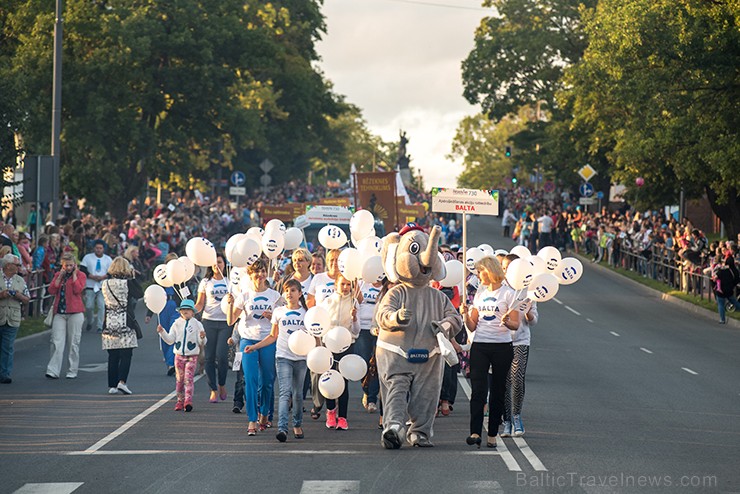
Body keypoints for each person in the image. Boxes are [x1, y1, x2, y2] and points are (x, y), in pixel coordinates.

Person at [460, 256, 519, 449]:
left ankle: (492, 433)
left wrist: (507, 322)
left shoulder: (509, 294)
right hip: (480, 345)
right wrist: (465, 315)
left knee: (497, 390)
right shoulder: (480, 294)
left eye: (480, 272)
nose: (478, 275)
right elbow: (472, 324)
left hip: (502, 345)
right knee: (478, 390)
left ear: (490, 271)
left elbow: (516, 324)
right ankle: (475, 431)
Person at [244, 279, 308, 442]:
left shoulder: (307, 314)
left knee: (298, 394)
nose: (289, 293)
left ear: (300, 294)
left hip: (301, 358)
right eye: (287, 290)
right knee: (284, 392)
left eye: (293, 290)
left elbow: (314, 336)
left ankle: (297, 423)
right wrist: (255, 347)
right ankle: (282, 428)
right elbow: (273, 336)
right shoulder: (279, 312)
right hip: (283, 357)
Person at [226, 258, 280, 435]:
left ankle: (264, 412)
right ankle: (251, 420)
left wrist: (271, 316)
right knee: (250, 380)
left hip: (268, 341)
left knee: (267, 380)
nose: (261, 274)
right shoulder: (244, 296)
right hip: (248, 341)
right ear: (250, 274)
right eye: (257, 271)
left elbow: (282, 321)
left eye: (263, 271)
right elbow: (230, 320)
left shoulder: (274, 296)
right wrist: (230, 304)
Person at [500, 254, 538, 438]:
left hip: (521, 340)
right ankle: (506, 420)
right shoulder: (499, 289)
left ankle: (516, 416)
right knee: (504, 381)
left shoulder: (528, 291)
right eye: (505, 267)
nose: (507, 270)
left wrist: (529, 313)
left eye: (511, 267)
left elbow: (534, 320)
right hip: (501, 340)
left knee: (517, 378)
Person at [320, 274, 360, 430]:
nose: (345, 287)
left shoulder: (354, 302)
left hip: (347, 345)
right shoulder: (327, 302)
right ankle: (330, 411)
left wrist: (355, 318)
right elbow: (320, 325)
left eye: (348, 285)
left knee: (344, 381)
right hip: (328, 345)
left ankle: (343, 417)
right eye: (342, 284)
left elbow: (356, 331)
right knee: (329, 379)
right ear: (335, 285)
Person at [306, 249, 340, 419]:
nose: (334, 262)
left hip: (339, 331)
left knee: (336, 368)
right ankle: (317, 403)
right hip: (319, 328)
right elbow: (310, 301)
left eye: (337, 259)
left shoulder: (346, 279)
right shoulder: (319, 278)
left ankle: (333, 405)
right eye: (332, 259)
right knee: (317, 366)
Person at [101, 257, 143, 395]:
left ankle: (112, 385)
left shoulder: (105, 283)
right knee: (126, 354)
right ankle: (122, 382)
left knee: (113, 355)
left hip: (109, 321)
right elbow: (139, 294)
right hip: (125, 321)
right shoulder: (127, 283)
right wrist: (133, 277)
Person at [157, 299, 207, 412]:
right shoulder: (176, 324)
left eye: (187, 310)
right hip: (179, 356)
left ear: (193, 312)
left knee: (188, 378)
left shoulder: (197, 324)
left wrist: (202, 337)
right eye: (183, 310)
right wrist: (162, 332)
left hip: (192, 356)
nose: (185, 312)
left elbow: (202, 342)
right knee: (179, 380)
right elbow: (170, 340)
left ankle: (188, 401)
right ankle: (180, 400)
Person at [194, 253, 231, 403]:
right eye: (214, 263)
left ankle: (222, 384)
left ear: (224, 264)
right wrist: (188, 310)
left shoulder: (231, 281)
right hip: (208, 321)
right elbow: (200, 304)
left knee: (222, 357)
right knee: (209, 357)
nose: (217, 265)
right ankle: (213, 389)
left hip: (225, 322)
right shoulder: (205, 282)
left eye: (220, 262)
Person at [45, 253, 87, 380]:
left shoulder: (81, 275)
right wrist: (59, 278)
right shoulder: (59, 275)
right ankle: (53, 370)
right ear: (62, 266)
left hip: (75, 312)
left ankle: (72, 369)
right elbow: (51, 290)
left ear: (75, 265)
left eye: (70, 265)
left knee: (74, 342)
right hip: (60, 312)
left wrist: (74, 275)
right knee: (56, 341)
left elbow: (78, 290)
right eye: (66, 265)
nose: (68, 268)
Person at [0, 254, 30, 384]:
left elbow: (27, 299)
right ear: (8, 266)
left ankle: (5, 374)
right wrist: (2, 294)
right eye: (17, 265)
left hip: (13, 318)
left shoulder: (20, 280)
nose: (19, 267)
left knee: (8, 347)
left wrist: (19, 296)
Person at [356, 276, 382, 413]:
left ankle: (372, 399)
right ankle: (366, 389)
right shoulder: (361, 283)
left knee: (376, 364)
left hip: (380, 329)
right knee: (364, 363)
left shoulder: (386, 286)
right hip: (363, 328)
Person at [81, 240, 113, 332]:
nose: (98, 250)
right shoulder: (88, 258)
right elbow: (83, 269)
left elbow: (111, 272)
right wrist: (91, 276)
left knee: (101, 305)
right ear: (94, 248)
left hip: (102, 285)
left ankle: (100, 325)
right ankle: (90, 320)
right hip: (90, 284)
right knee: (89, 306)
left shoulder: (108, 259)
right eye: (97, 248)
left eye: (100, 248)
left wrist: (104, 276)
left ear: (103, 249)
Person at [714, 256, 740, 324]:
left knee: (720, 304)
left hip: (721, 289)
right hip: (729, 290)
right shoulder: (735, 271)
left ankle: (722, 319)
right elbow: (737, 280)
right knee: (734, 301)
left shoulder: (723, 270)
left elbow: (715, 277)